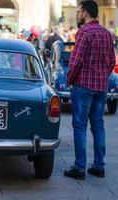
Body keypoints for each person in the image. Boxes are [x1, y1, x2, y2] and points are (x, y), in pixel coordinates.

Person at [64, 1, 115, 180]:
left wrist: (69, 80)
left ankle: (79, 167)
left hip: (83, 86)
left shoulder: (84, 32)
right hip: (101, 88)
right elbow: (111, 62)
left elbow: (75, 61)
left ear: (85, 13)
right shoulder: (107, 34)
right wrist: (102, 78)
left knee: (80, 126)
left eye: (78, 12)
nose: (77, 15)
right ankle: (99, 166)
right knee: (98, 125)